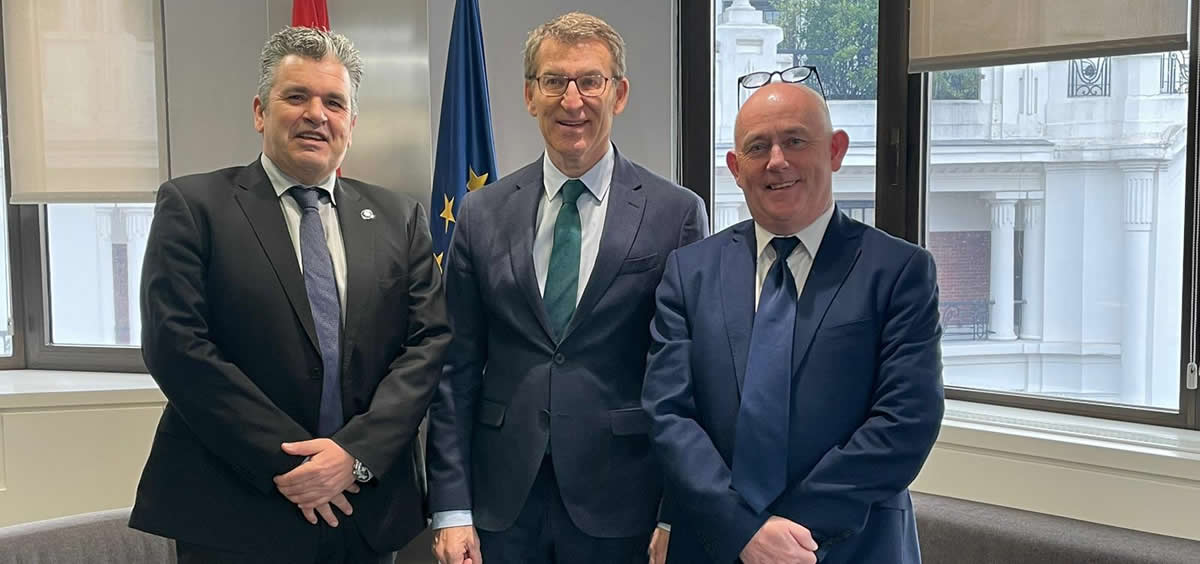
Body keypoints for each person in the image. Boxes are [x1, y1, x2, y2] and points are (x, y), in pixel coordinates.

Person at [129, 26, 449, 564]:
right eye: (296, 96)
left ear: (352, 123)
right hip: (234, 509)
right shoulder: (193, 206)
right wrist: (296, 465)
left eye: (334, 102)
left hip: (363, 510)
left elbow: (428, 345)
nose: (316, 115)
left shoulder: (400, 218)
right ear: (260, 112)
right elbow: (177, 348)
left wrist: (353, 455)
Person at [425, 11, 708, 564]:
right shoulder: (481, 214)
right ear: (530, 95)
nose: (571, 100)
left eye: (590, 81)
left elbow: (689, 377)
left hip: (625, 503)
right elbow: (454, 367)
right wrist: (452, 509)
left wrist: (676, 510)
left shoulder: (675, 214)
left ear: (619, 93)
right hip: (501, 504)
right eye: (554, 80)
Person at [642, 82, 944, 564]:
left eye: (795, 141)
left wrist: (785, 535)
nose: (777, 161)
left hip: (852, 546)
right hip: (716, 544)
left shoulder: (898, 271)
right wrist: (744, 530)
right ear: (735, 168)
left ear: (835, 150)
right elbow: (668, 413)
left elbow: (906, 421)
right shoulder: (689, 271)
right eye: (757, 147)